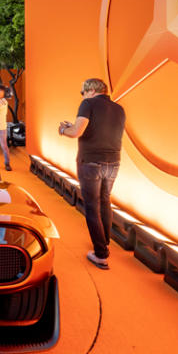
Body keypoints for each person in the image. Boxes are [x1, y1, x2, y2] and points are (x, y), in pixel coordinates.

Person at [59, 78, 126, 270]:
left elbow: (76, 132)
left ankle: (101, 255)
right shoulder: (119, 108)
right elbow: (99, 130)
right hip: (113, 161)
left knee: (91, 206)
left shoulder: (87, 103)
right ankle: (104, 241)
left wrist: (64, 129)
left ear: (91, 90)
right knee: (105, 200)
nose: (82, 95)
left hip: (91, 162)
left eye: (83, 91)